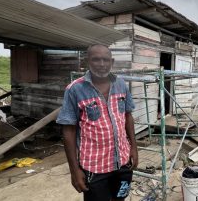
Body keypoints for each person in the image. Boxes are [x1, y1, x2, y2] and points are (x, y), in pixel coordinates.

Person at [56, 44, 138, 201]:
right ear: (88, 61)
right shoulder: (75, 89)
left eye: (106, 60)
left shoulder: (121, 84)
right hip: (94, 168)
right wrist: (74, 170)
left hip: (123, 163)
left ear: (112, 62)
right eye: (96, 59)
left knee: (120, 198)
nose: (102, 64)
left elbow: (128, 116)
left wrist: (133, 148)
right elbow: (68, 131)